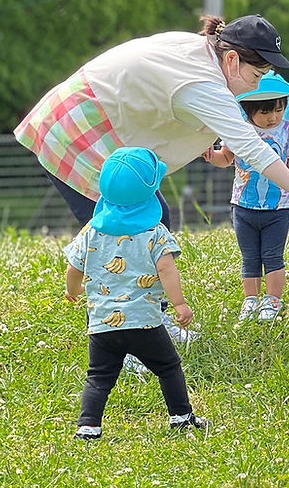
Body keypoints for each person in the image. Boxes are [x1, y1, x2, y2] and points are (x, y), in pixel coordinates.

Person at [14, 13, 289, 230]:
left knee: (152, 219)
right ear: (231, 60)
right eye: (256, 76)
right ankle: (126, 319)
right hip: (78, 130)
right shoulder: (203, 83)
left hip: (90, 122)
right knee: (130, 228)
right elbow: (253, 149)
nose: (256, 87)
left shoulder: (199, 50)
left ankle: (150, 316)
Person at [63, 147, 208, 439]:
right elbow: (167, 270)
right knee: (168, 367)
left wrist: (72, 291)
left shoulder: (91, 231)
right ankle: (180, 416)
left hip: (102, 324)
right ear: (151, 191)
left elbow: (73, 267)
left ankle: (88, 425)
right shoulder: (155, 233)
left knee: (98, 377)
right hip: (144, 322)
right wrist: (179, 304)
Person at [203, 72, 289, 322]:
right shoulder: (239, 130)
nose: (273, 117)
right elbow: (226, 157)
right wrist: (210, 155)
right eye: (265, 112)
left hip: (278, 208)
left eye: (279, 110)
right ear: (248, 110)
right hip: (243, 207)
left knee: (272, 256)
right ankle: (250, 300)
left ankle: (272, 300)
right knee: (249, 257)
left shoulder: (287, 131)